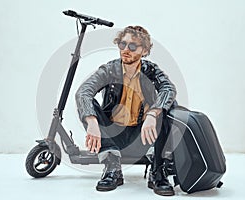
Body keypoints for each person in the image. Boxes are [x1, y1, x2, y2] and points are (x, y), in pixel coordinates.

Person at [75, 25, 177, 196]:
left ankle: (158, 170)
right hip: (113, 136)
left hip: (143, 136)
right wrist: (91, 121)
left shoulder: (151, 70)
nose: (125, 50)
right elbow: (83, 92)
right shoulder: (110, 69)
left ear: (144, 51)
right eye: (122, 45)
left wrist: (152, 114)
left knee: (169, 105)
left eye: (132, 46)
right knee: (87, 103)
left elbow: (169, 89)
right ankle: (112, 167)